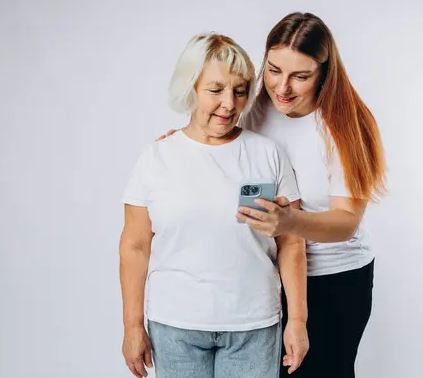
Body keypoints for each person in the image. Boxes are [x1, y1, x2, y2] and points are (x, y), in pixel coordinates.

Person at [158, 12, 386, 377]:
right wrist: (181, 145)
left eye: (300, 76)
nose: (283, 87)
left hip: (335, 280)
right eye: (274, 70)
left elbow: (347, 224)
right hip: (268, 275)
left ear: (324, 73)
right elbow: (218, 142)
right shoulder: (254, 109)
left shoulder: (347, 124)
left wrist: (289, 221)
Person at [119, 33, 309, 378]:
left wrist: (297, 320)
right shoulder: (156, 158)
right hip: (175, 325)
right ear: (190, 87)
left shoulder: (268, 153)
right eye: (215, 90)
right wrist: (132, 327)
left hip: (254, 325)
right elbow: (134, 245)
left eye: (239, 90)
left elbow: (292, 242)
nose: (229, 103)